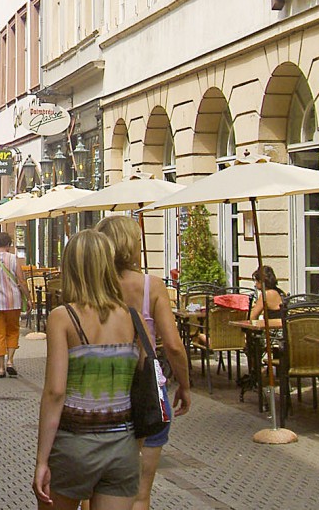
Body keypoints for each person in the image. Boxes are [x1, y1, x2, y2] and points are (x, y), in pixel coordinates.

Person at [33, 229, 142, 510]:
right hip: (122, 444)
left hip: (74, 444)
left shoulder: (63, 318)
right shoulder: (133, 318)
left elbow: (56, 392)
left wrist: (42, 459)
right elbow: (140, 376)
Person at [97, 215, 191, 510]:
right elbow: (173, 346)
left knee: (99, 489)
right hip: (147, 390)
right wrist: (185, 385)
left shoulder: (96, 285)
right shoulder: (152, 285)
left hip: (102, 388)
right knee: (140, 491)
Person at [0, 231, 32, 378]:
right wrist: (29, 299)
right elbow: (21, 281)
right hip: (13, 302)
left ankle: (1, 367)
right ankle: (10, 361)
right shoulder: (14, 259)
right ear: (8, 244)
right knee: (13, 331)